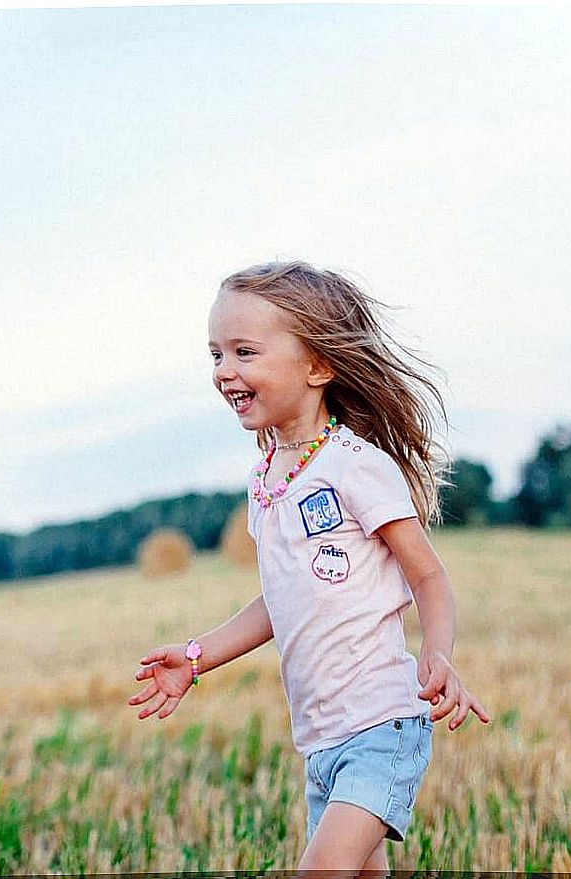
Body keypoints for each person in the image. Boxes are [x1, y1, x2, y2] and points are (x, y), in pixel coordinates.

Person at [127, 260, 491, 877]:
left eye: (245, 352)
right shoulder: (266, 480)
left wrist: (439, 652)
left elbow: (428, 575)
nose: (224, 371)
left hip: (383, 723)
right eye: (216, 353)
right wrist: (196, 658)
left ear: (318, 366)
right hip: (319, 740)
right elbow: (280, 599)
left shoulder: (357, 466)